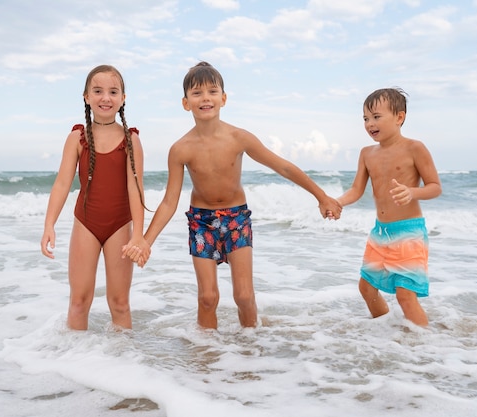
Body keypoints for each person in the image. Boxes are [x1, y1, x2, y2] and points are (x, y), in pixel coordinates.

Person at [123, 61, 342, 329]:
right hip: (201, 222)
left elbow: (282, 166)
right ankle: (206, 355)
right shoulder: (180, 149)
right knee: (207, 297)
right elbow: (170, 201)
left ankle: (249, 350)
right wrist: (146, 241)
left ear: (223, 98)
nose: (205, 98)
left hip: (237, 218)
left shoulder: (239, 137)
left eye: (212, 91)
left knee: (244, 295)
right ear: (185, 103)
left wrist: (321, 196)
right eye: (197, 93)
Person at [40, 64, 149, 330]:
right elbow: (62, 183)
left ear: (123, 98)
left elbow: (136, 190)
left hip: (120, 226)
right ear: (86, 96)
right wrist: (49, 224)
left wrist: (138, 235)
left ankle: (123, 363)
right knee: (79, 301)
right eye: (98, 91)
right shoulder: (77, 137)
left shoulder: (130, 140)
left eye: (113, 91)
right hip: (86, 224)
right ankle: (75, 363)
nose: (105, 97)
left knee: (120, 302)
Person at [336, 88, 441, 326]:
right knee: (366, 288)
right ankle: (383, 334)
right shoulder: (366, 153)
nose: (369, 123)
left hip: (409, 232)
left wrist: (412, 192)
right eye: (365, 118)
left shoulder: (415, 148)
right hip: (380, 233)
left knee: (405, 295)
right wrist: (338, 202)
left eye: (376, 116)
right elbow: (356, 190)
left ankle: (425, 345)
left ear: (399, 117)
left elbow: (435, 187)